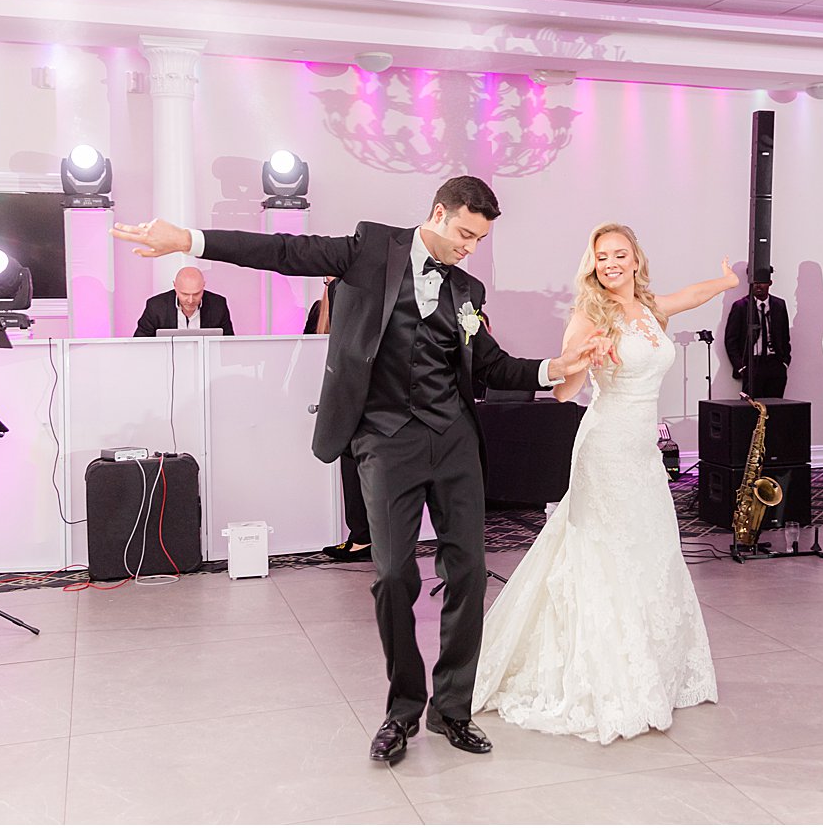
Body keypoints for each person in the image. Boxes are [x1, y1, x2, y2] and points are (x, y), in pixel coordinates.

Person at [111, 176, 608, 765]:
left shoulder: (468, 288)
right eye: (465, 234)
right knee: (394, 574)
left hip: (453, 440)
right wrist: (190, 240)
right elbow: (283, 254)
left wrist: (555, 367)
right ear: (439, 214)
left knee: (469, 571)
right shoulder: (371, 248)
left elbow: (492, 366)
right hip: (384, 439)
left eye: (479, 240)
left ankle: (453, 708)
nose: (470, 248)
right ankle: (402, 710)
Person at [473, 222, 732, 743]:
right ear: (593, 265)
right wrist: (585, 357)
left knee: (650, 548)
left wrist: (724, 282)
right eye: (601, 257)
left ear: (635, 258)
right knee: (604, 551)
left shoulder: (653, 306)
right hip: (606, 444)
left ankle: (653, 664)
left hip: (642, 450)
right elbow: (567, 392)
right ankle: (609, 674)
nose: (610, 263)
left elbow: (690, 295)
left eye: (619, 254)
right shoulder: (590, 312)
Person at [303, 278, 371, 563]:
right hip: (339, 395)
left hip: (355, 398)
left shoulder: (359, 303)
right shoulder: (320, 309)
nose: (331, 284)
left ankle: (362, 538)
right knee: (349, 462)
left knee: (357, 466)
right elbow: (307, 348)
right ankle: (362, 536)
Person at [723, 277, 791, 398]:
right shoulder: (741, 306)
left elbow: (784, 335)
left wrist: (785, 362)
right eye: (754, 282)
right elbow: (731, 339)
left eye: (762, 282)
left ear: (770, 283)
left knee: (777, 408)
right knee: (752, 409)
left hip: (775, 363)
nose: (758, 286)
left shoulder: (779, 305)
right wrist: (740, 367)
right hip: (752, 364)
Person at [133, 266, 235, 336]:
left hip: (207, 364)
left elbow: (228, 345)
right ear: (175, 286)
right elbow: (140, 344)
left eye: (196, 294)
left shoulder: (218, 305)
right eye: (185, 294)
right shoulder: (155, 306)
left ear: (203, 286)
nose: (190, 300)